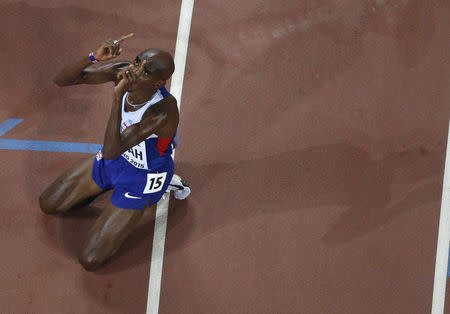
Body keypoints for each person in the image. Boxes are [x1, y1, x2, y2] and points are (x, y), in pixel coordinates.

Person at [39, 33, 190, 271]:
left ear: (158, 83)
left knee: (90, 259)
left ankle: (168, 183)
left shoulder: (163, 109)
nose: (136, 69)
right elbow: (62, 80)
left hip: (143, 177)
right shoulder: (123, 70)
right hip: (117, 160)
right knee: (48, 203)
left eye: (146, 71)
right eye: (137, 60)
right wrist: (93, 57)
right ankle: (107, 185)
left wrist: (118, 95)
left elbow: (111, 150)